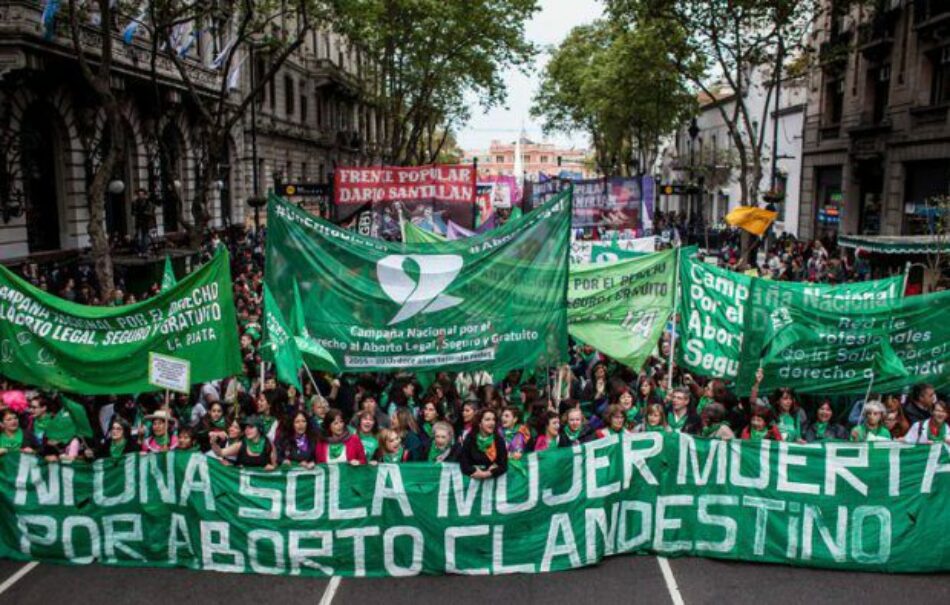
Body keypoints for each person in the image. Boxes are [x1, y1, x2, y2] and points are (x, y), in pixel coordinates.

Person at [211, 415, 276, 469]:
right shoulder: (241, 444)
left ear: (259, 428)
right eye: (245, 427)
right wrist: (213, 442)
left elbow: (276, 468)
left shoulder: (269, 444)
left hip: (262, 482)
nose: (247, 430)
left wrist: (272, 468)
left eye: (251, 427)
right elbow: (220, 453)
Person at [458, 409, 507, 479]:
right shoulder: (470, 439)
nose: (492, 423)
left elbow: (503, 465)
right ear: (479, 423)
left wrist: (488, 473)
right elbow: (464, 464)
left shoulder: (499, 440)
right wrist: (476, 471)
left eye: (493, 420)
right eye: (487, 420)